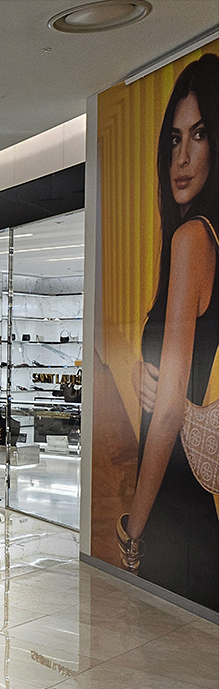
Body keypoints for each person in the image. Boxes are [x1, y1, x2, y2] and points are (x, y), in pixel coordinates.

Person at [122, 53, 219, 603]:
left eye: (199, 136)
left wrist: (132, 532)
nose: (181, 157)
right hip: (188, 512)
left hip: (173, 509)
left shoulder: (192, 241)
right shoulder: (205, 239)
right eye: (175, 139)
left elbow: (168, 415)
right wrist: (147, 369)